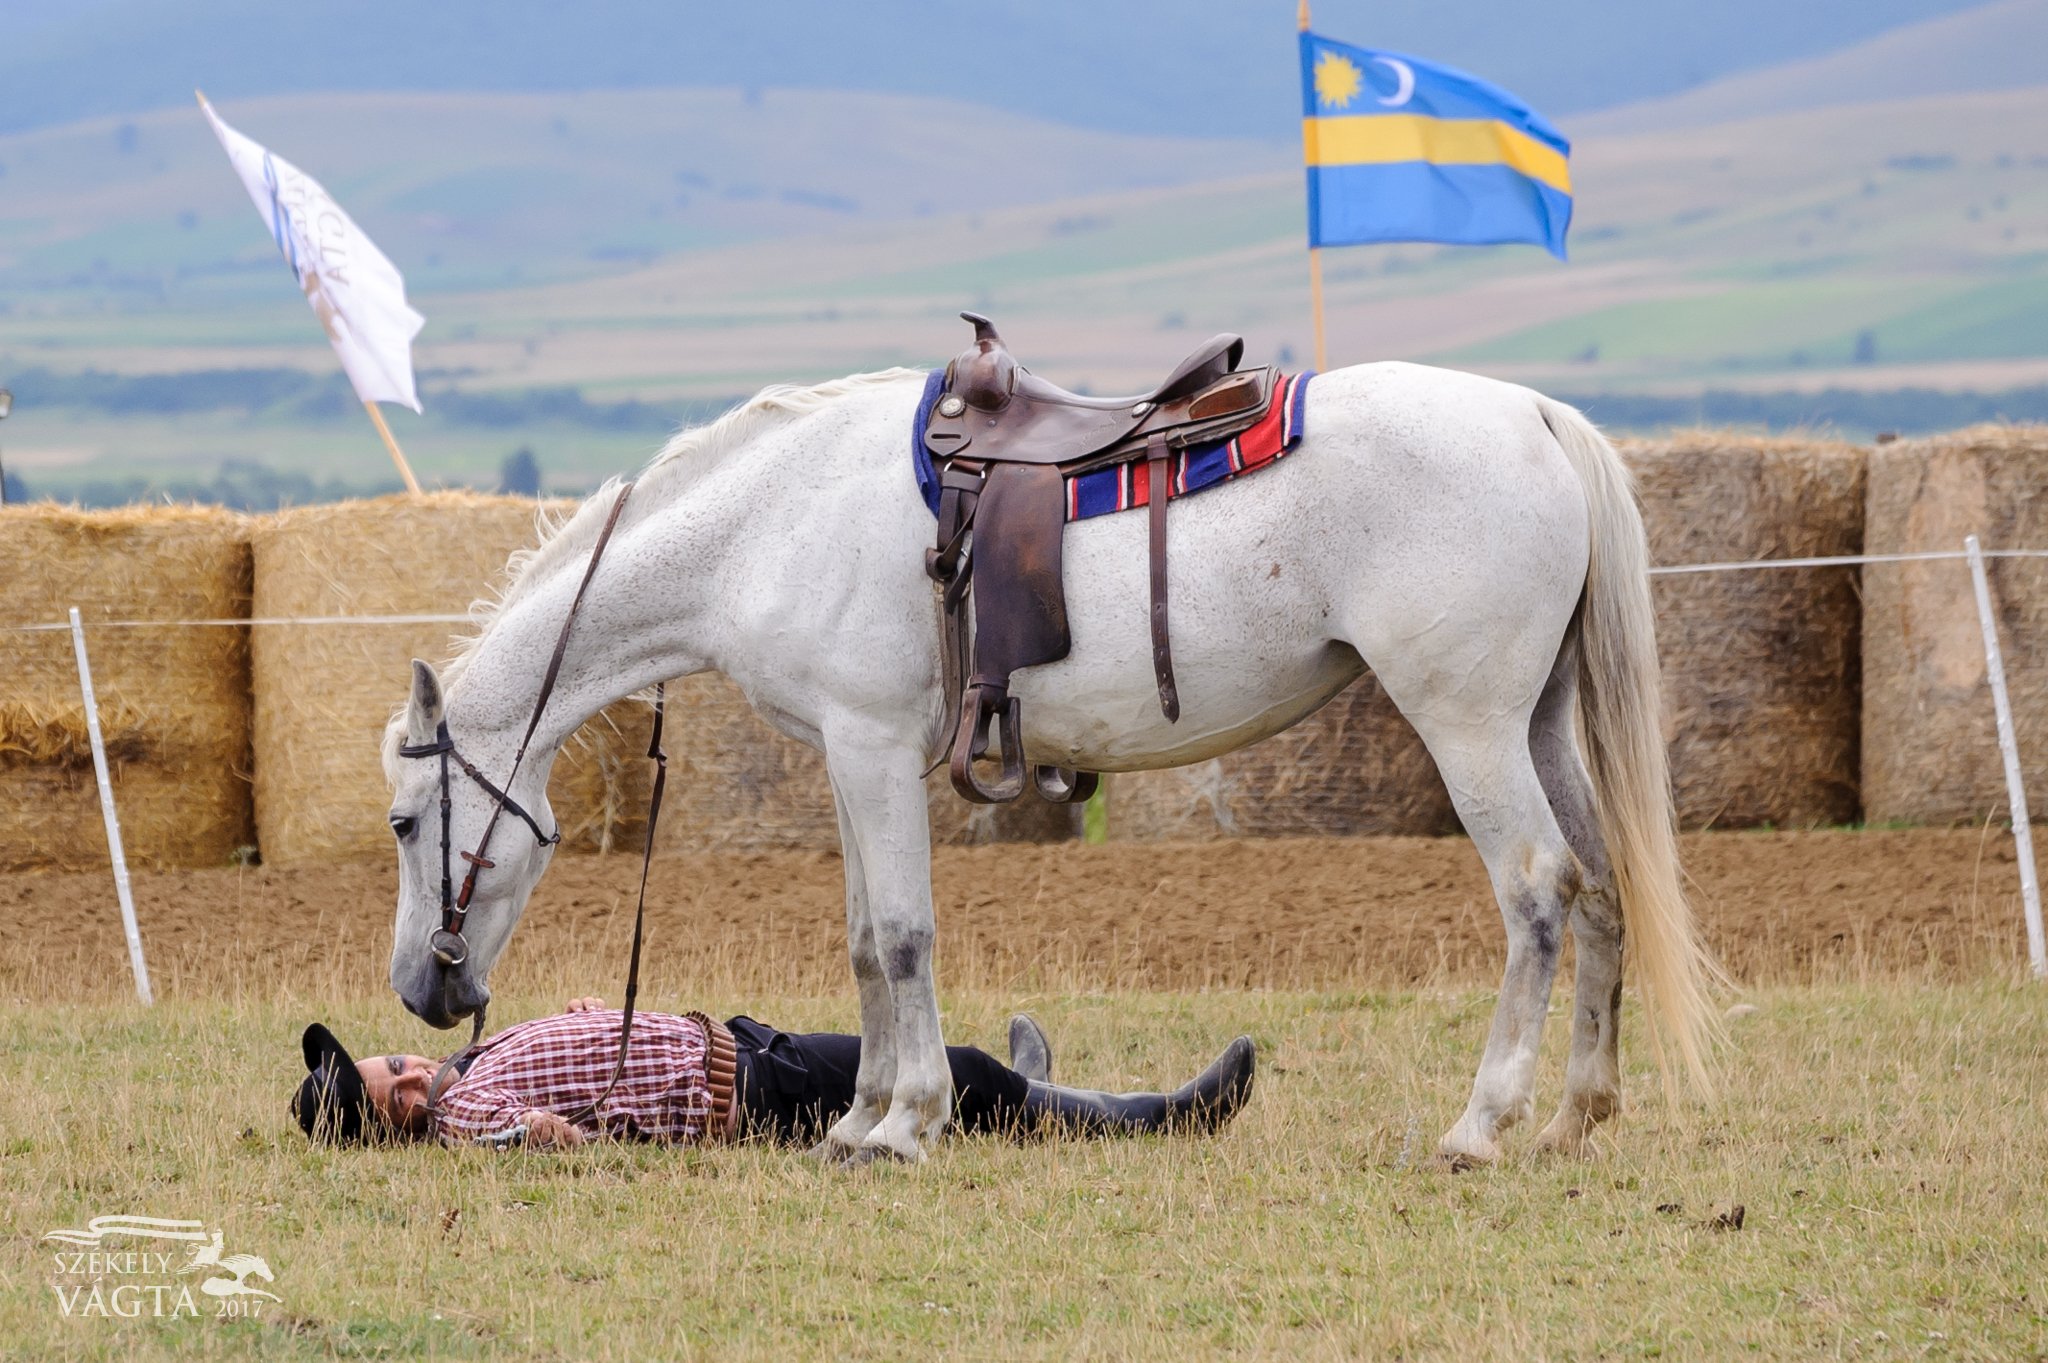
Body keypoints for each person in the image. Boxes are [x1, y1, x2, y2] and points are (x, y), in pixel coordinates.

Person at [291, 996, 1256, 1150]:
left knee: (911, 1046)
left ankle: (1019, 1089)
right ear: (399, 1130)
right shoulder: (463, 1115)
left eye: (392, 1068)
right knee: (937, 1064)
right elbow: (540, 1134)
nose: (413, 1081)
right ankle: (1150, 1116)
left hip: (748, 1049)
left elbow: (573, 1044)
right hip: (749, 1095)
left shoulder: (465, 1059)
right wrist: (551, 1128)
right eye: (397, 1106)